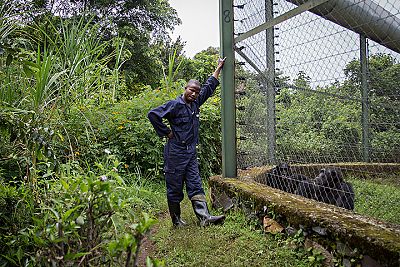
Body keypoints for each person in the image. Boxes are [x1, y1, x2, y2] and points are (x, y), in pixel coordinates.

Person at [147, 57, 226, 227]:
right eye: (191, 90)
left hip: (190, 152)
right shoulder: (174, 105)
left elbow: (209, 86)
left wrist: (219, 67)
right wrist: (167, 132)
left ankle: (205, 218)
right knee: (174, 186)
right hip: (175, 152)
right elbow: (153, 115)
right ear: (185, 89)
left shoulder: (196, 103)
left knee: (195, 183)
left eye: (196, 92)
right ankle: (176, 221)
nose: (194, 94)